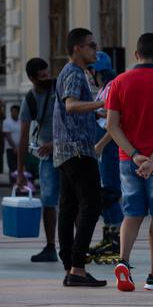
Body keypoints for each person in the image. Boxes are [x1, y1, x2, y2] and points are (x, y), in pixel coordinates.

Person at [105, 34, 153, 292]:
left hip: (128, 160)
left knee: (132, 212)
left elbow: (112, 126)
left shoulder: (119, 82)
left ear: (136, 55)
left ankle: (123, 261)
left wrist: (135, 154)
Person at [53, 28, 107, 287]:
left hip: (66, 150)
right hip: (77, 150)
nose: (96, 50)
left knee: (69, 208)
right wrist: (102, 104)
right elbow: (71, 105)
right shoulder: (74, 72)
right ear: (78, 48)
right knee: (91, 205)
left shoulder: (70, 72)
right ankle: (77, 267)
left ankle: (70, 267)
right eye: (91, 45)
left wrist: (95, 113)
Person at [17, 58, 60, 262]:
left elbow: (75, 122)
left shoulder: (59, 89)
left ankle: (80, 247)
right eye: (42, 76)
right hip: (48, 157)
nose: (47, 78)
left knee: (76, 201)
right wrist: (20, 172)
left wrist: (54, 143)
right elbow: (23, 137)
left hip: (70, 153)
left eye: (48, 74)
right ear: (32, 78)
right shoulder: (30, 99)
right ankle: (51, 247)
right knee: (48, 201)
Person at [89, 52, 124, 264]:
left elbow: (116, 122)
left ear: (98, 71)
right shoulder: (103, 89)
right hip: (102, 146)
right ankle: (108, 235)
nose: (89, 75)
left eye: (90, 71)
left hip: (108, 147)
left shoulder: (111, 87)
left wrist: (100, 145)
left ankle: (116, 240)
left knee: (110, 193)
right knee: (102, 193)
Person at [4, 105, 19, 181]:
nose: (13, 113)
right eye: (12, 112)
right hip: (10, 148)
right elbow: (8, 136)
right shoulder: (7, 122)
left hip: (20, 148)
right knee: (12, 166)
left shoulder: (21, 121)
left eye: (15, 112)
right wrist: (14, 147)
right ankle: (12, 183)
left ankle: (19, 182)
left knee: (20, 166)